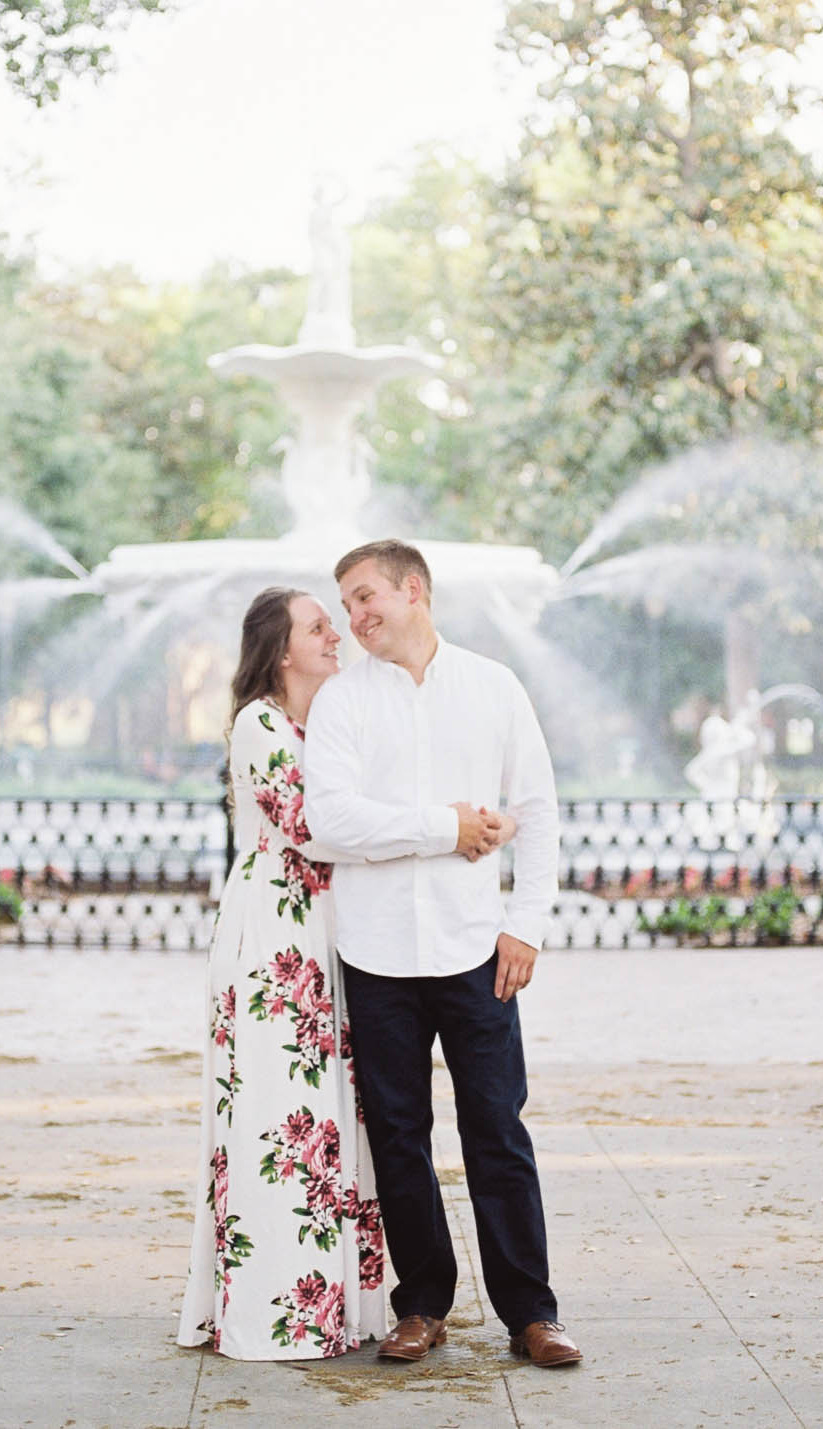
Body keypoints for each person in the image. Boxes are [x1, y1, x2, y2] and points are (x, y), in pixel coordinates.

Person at [303, 538, 583, 1369]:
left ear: (414, 590)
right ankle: (422, 1303)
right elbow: (331, 824)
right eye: (346, 605)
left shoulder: (493, 687)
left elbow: (536, 808)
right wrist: (446, 827)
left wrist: (525, 922)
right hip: (377, 954)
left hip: (474, 950)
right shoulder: (342, 703)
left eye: (365, 598)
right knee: (398, 1134)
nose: (354, 618)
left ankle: (531, 1312)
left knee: (497, 1128)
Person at [175, 587, 389, 1360]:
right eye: (319, 626)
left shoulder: (315, 723)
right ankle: (274, 1308)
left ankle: (334, 1304)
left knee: (330, 1114)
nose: (337, 634)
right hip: (273, 939)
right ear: (280, 650)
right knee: (277, 1107)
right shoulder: (259, 724)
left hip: (322, 934)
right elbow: (315, 827)